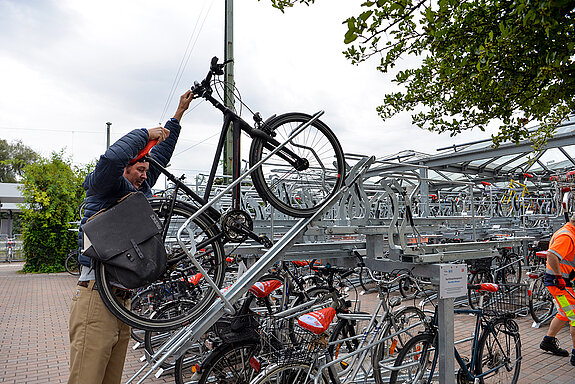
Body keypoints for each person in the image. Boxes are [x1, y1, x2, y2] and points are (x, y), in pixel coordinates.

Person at [68, 90, 194, 384]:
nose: (145, 175)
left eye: (146, 171)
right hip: (95, 301)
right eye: (139, 169)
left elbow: (159, 155)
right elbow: (112, 158)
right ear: (125, 169)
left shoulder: (138, 188)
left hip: (121, 303)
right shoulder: (104, 187)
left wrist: (177, 116)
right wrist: (144, 133)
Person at [539, 215, 575, 366]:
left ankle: (548, 341)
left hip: (561, 284)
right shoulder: (567, 236)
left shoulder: (569, 232)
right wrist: (560, 277)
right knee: (574, 316)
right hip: (560, 285)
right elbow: (552, 255)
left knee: (564, 312)